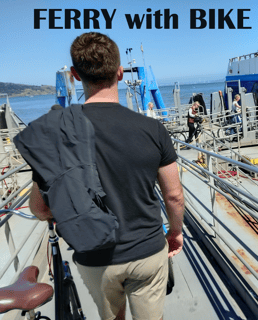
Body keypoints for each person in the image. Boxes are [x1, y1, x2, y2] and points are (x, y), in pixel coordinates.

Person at [27, 32, 184, 320]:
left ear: (74, 75)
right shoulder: (153, 130)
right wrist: (175, 232)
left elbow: (39, 208)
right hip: (147, 251)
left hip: (95, 257)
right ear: (120, 73)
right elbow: (174, 195)